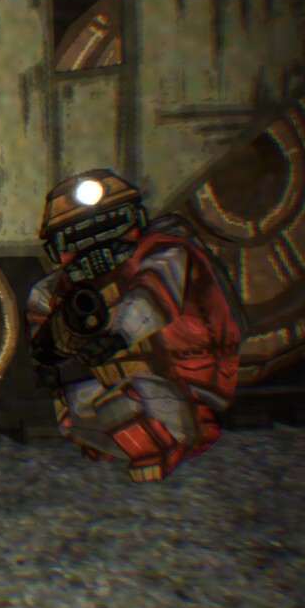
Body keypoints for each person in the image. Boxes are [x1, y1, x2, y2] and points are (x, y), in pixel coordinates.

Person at [24, 170, 245, 482]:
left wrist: (118, 337)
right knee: (72, 408)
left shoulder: (167, 252)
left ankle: (160, 455)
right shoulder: (56, 289)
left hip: (189, 385)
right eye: (76, 238)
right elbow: (41, 337)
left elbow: (152, 294)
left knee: (119, 405)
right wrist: (55, 344)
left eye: (111, 226)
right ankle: (125, 444)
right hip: (130, 386)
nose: (96, 246)